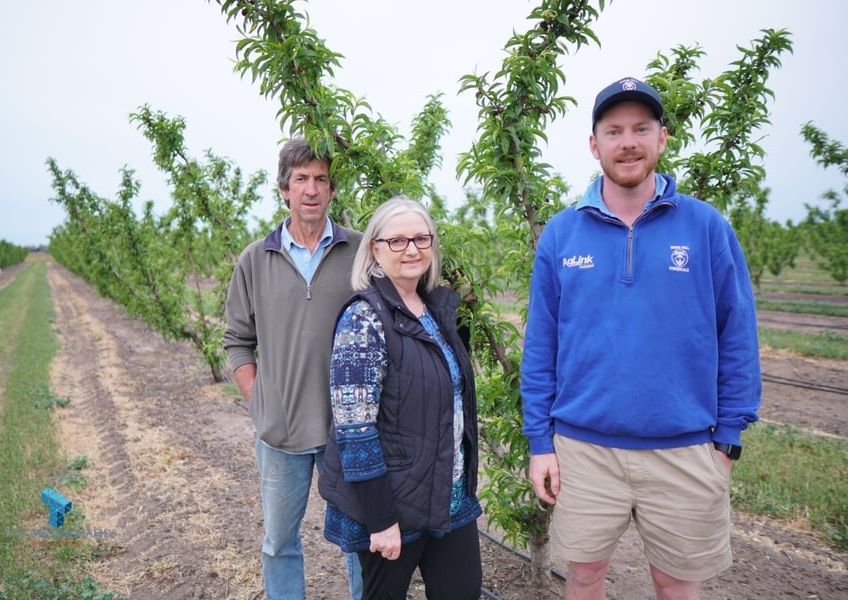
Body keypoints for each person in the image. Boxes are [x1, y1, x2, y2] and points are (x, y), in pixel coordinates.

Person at [520, 77, 762, 600]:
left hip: (685, 447)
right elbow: (541, 345)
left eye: (640, 129)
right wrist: (541, 443)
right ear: (594, 144)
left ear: (662, 138)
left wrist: (728, 440)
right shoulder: (561, 234)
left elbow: (738, 335)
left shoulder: (706, 227)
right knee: (584, 576)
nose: (627, 142)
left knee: (674, 584)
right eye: (614, 131)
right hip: (584, 449)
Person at [318, 196, 483, 599]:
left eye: (421, 239)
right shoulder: (363, 320)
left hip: (448, 495)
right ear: (375, 249)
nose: (411, 249)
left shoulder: (436, 310)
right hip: (393, 505)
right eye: (397, 241)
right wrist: (380, 519)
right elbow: (355, 429)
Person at [223, 136, 363, 600]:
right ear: (284, 189)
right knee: (279, 542)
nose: (311, 189)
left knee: (360, 539)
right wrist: (260, 402)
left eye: (321, 179)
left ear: (332, 189)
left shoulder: (360, 253)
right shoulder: (255, 259)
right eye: (301, 179)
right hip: (280, 433)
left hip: (348, 430)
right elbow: (237, 341)